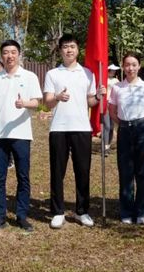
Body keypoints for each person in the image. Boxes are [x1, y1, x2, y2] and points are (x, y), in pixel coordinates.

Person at [43, 34, 103, 229]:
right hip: (59, 128)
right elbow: (47, 102)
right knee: (57, 171)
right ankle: (58, 211)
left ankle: (82, 211)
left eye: (72, 47)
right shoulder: (53, 74)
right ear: (60, 50)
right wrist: (57, 97)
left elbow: (90, 101)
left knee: (83, 171)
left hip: (82, 128)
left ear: (78, 50)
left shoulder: (87, 73)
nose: (69, 50)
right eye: (65, 47)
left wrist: (98, 97)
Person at [0, 40, 42, 232]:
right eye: (6, 52)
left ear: (19, 54)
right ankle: (0, 216)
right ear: (1, 56)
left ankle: (22, 215)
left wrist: (24, 103)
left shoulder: (29, 76)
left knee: (23, 176)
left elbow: (37, 102)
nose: (9, 56)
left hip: (21, 134)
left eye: (13, 52)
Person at [108, 53, 144, 225]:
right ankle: (126, 211)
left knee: (143, 172)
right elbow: (112, 110)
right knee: (126, 172)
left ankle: (142, 211)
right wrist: (123, 124)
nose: (130, 68)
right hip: (125, 131)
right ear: (123, 67)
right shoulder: (117, 87)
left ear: (139, 66)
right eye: (127, 65)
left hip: (142, 129)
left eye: (134, 64)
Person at [103, 64, 120, 153]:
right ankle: (105, 146)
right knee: (107, 126)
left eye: (114, 71)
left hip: (113, 104)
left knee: (111, 127)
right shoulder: (104, 79)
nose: (113, 72)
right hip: (106, 103)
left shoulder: (116, 80)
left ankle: (108, 145)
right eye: (112, 71)